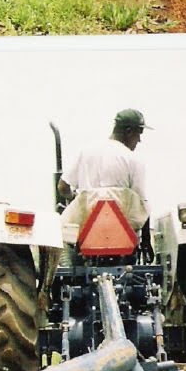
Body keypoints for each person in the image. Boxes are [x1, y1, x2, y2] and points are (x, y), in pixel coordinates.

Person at [57, 107, 153, 260]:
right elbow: (141, 204)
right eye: (138, 134)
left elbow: (62, 187)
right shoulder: (133, 159)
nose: (139, 140)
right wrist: (146, 241)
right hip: (122, 240)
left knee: (63, 235)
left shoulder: (86, 151)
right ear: (129, 131)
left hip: (84, 236)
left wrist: (75, 197)